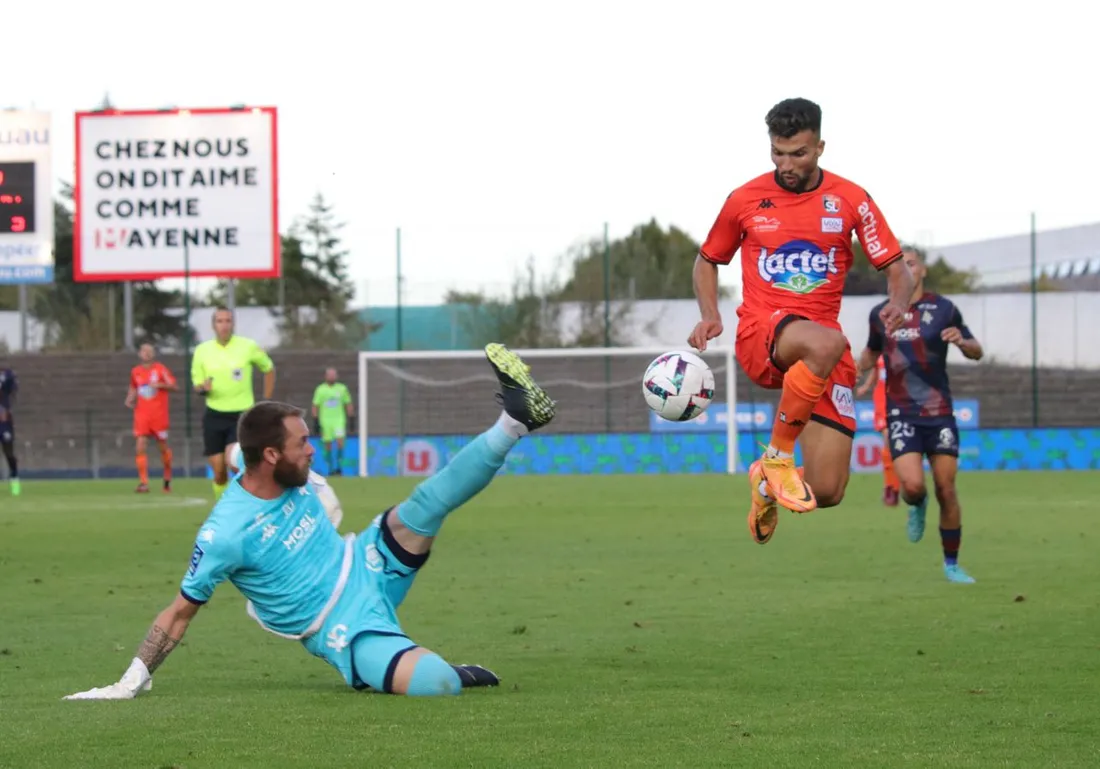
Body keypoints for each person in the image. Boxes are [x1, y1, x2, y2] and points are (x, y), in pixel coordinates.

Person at [63, 343, 555, 701]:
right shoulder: (224, 533)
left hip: (364, 560)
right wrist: (130, 681)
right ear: (273, 454)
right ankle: (435, 666)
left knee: (426, 502)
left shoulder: (257, 462)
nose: (312, 450)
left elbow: (239, 449)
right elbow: (178, 613)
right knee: (439, 685)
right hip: (342, 626)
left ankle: (514, 420)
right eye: (302, 444)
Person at [688, 97, 915, 545]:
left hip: (821, 351)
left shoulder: (851, 199)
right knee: (828, 342)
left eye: (799, 153)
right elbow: (707, 259)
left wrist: (898, 302)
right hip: (763, 331)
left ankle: (766, 482)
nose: (787, 163)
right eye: (778, 152)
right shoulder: (744, 199)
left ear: (821, 147)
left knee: (828, 490)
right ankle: (777, 456)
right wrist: (711, 314)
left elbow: (897, 268)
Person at [858, 247, 983, 584]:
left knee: (947, 488)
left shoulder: (944, 309)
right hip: (901, 414)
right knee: (912, 486)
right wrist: (846, 372)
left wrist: (962, 342)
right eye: (899, 265)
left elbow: (977, 351)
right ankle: (917, 503)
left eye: (910, 262)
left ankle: (952, 564)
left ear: (923, 270)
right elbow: (870, 354)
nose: (905, 269)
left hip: (939, 413)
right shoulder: (880, 314)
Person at [191, 307, 276, 499]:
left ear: (233, 324)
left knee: (234, 463)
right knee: (219, 471)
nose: (224, 325)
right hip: (214, 414)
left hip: (241, 416)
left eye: (228, 320)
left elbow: (269, 368)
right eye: (220, 321)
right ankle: (223, 510)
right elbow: (197, 385)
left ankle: (243, 508)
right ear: (214, 325)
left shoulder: (247, 347)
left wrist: (267, 399)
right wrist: (203, 388)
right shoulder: (202, 351)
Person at [125, 343, 178, 493]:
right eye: (144, 351)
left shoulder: (160, 369)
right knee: (140, 446)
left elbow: (174, 386)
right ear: (140, 354)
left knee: (163, 448)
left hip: (159, 416)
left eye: (149, 351)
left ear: (153, 354)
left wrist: (160, 384)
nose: (147, 354)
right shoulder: (135, 372)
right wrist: (130, 398)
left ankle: (167, 479)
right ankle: (144, 483)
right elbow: (134, 387)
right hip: (142, 415)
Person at [856, 356, 899, 506]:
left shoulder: (905, 345)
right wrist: (866, 386)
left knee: (898, 445)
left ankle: (897, 486)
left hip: (902, 400)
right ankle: (890, 487)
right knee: (888, 440)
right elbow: (876, 369)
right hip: (882, 401)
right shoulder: (879, 347)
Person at [311, 367, 353, 475]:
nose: (332, 377)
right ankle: (330, 469)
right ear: (326, 376)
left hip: (339, 420)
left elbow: (348, 403)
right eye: (330, 375)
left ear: (337, 376)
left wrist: (351, 418)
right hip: (325, 421)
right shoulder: (320, 389)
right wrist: (315, 420)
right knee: (327, 445)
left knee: (340, 442)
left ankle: (339, 468)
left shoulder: (342, 388)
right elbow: (315, 405)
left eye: (334, 375)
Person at [0, 363, 19, 497]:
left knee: (8, 452)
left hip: (4, 420)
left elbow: (13, 391)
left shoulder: (7, 374)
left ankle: (14, 479)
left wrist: (8, 408)